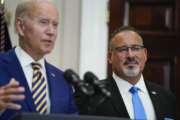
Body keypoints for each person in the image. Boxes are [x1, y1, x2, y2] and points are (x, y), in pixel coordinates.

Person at [0, 0, 78, 119]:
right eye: (43, 22)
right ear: (21, 26)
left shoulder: (63, 80)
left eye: (55, 25)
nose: (51, 31)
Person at [80, 26, 175, 120]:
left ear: (145, 54)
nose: (130, 55)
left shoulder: (166, 97)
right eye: (123, 49)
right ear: (110, 57)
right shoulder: (93, 96)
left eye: (136, 48)